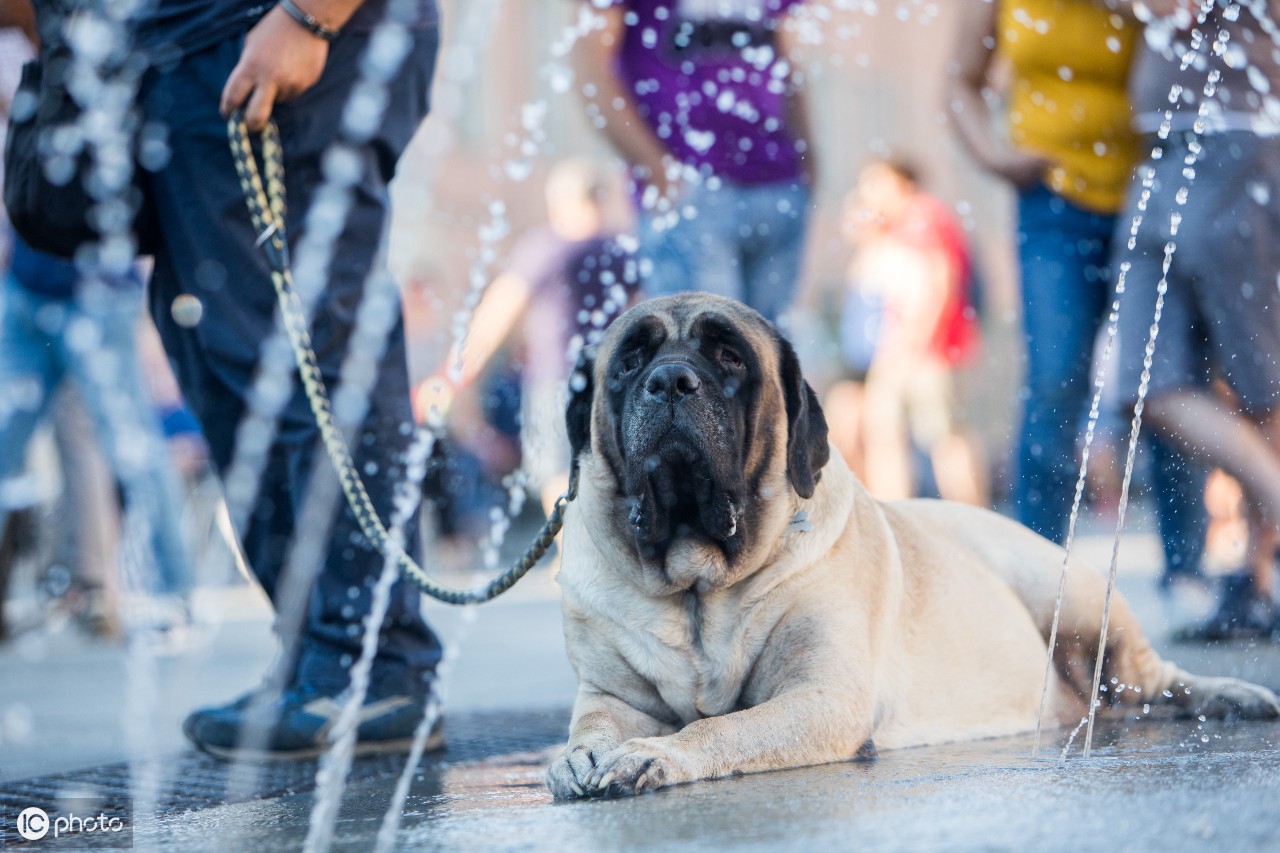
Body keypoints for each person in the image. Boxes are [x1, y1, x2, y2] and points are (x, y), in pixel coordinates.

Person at [123, 0, 446, 757]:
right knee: (228, 363)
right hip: (191, 52)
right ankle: (318, 657)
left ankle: (373, 665)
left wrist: (310, 15)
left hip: (283, 38)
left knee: (314, 354)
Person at [947, 0, 1209, 611]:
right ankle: (1036, 576)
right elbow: (959, 81)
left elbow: (1207, 44)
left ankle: (1186, 573)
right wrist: (991, 155)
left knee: (1165, 380)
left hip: (1154, 187)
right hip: (1052, 201)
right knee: (1054, 380)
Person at [1113, 0, 1280, 640]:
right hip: (1158, 146)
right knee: (1143, 383)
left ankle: (1254, 580)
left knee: (1260, 381)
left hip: (1244, 136)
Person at [415, 159, 638, 521]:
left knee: (556, 476)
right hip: (618, 382)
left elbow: (496, 314)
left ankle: (572, 558)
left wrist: (451, 377)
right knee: (613, 476)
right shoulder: (622, 251)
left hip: (557, 382)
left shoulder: (546, 246)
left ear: (560, 203)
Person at [573, 0, 814, 326]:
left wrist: (806, 162)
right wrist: (660, 171)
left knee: (770, 356)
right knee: (700, 353)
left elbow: (788, 59)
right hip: (690, 189)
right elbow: (590, 68)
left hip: (778, 184)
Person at [0, 234, 194, 633]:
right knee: (108, 445)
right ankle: (134, 591)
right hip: (29, 285)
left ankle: (170, 595)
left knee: (130, 449)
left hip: (99, 291)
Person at [838, 158, 986, 504]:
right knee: (887, 437)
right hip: (897, 349)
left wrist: (916, 340)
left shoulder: (922, 216)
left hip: (922, 350)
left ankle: (971, 518)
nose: (868, 193)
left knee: (944, 436)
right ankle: (897, 518)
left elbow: (938, 280)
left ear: (902, 183)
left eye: (875, 183)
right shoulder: (896, 225)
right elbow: (857, 245)